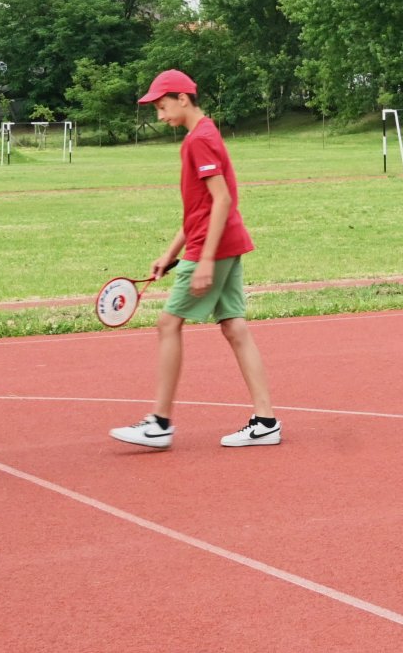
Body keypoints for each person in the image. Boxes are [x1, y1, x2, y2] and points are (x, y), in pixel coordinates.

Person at [109, 70, 281, 451]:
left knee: (168, 324)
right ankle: (266, 421)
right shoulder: (206, 133)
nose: (160, 115)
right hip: (226, 242)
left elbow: (221, 200)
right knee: (234, 327)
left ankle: (159, 423)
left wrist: (204, 260)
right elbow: (200, 209)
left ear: (182, 99)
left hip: (212, 246)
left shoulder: (198, 140)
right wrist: (169, 254)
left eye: (162, 106)